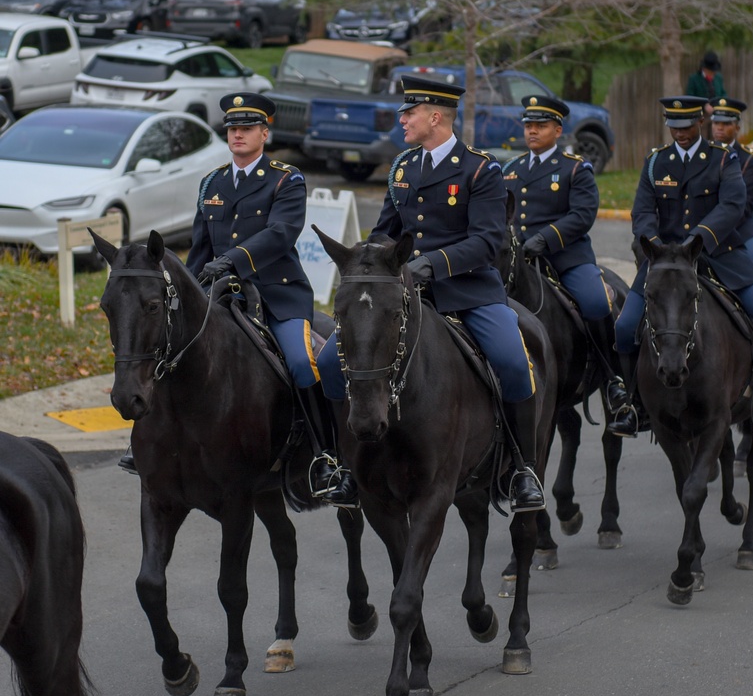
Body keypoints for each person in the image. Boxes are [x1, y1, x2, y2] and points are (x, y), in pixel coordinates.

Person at [315, 75, 547, 513]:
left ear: (435, 117)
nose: (402, 119)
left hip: (468, 292)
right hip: (403, 294)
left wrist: (429, 265)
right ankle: (342, 464)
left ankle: (522, 470)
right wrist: (371, 259)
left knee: (515, 363)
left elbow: (485, 241)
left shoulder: (481, 169)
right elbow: (387, 229)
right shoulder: (404, 166)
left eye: (410, 113)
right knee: (329, 362)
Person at [120, 92, 354, 508]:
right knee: (164, 345)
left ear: (265, 133)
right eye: (232, 128)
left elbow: (281, 234)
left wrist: (231, 261)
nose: (238, 134)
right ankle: (146, 443)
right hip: (217, 296)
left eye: (247, 128)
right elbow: (198, 249)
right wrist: (184, 290)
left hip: (276, 296)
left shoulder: (286, 179)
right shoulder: (212, 183)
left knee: (302, 364)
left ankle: (326, 456)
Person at [607, 96, 753, 438]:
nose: (680, 133)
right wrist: (652, 244)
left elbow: (733, 204)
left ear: (699, 123)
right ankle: (635, 405)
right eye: (673, 126)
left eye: (686, 125)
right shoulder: (656, 162)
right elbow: (642, 211)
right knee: (625, 324)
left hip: (719, 254)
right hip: (666, 261)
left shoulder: (722, 160)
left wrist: (699, 238)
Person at [501, 94, 628, 416]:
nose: (532, 131)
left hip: (566, 257)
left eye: (541, 126)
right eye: (529, 125)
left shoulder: (575, 169)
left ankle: (613, 377)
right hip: (521, 259)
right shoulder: (511, 170)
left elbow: (583, 214)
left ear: (558, 131)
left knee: (598, 301)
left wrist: (545, 239)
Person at [708, 96, 753, 286]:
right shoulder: (702, 155)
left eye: (725, 123)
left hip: (741, 226)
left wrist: (718, 227)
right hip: (705, 226)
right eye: (716, 123)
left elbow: (748, 203)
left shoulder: (749, 160)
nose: (719, 128)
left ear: (737, 127)